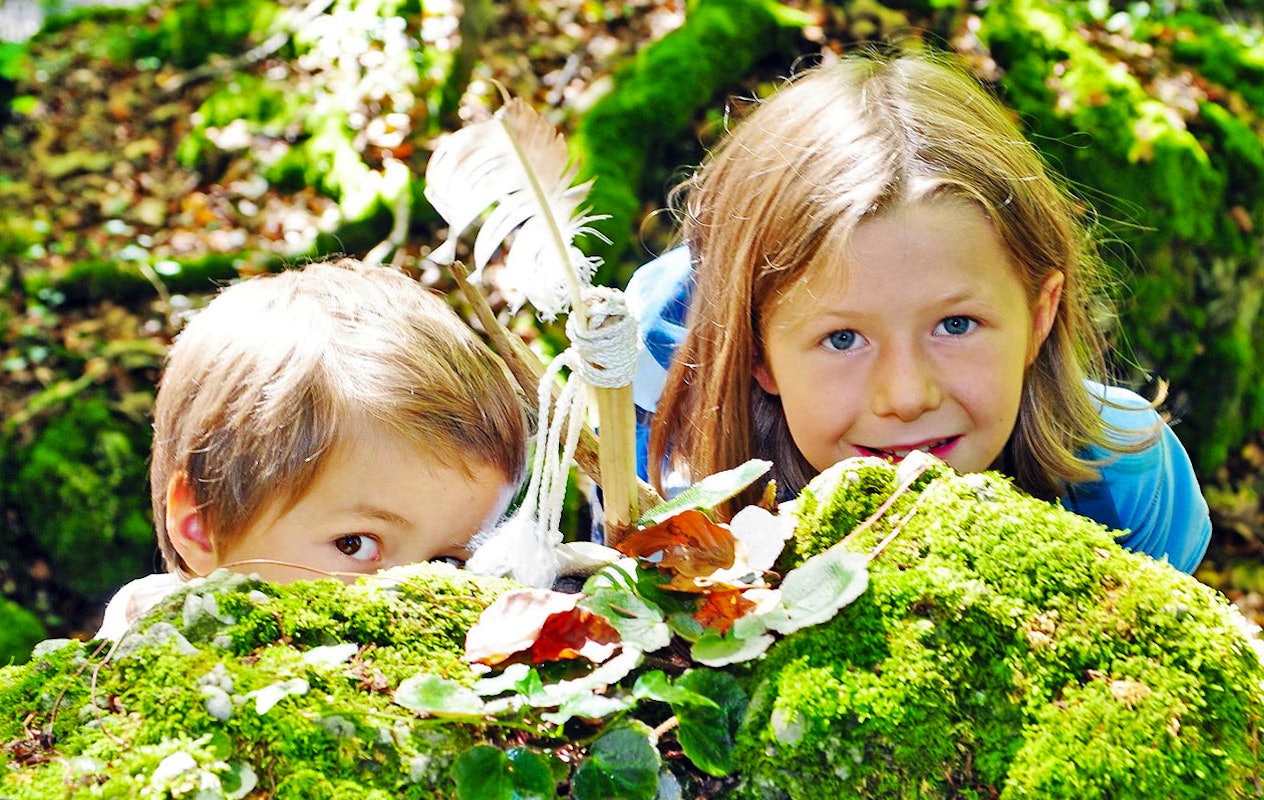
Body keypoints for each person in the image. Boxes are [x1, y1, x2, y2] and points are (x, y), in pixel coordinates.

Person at [628, 49, 1211, 574]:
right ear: (760, 355)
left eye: (955, 325)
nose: (907, 398)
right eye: (843, 339)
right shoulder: (669, 482)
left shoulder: (1122, 479)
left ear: (1039, 317)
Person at [96, 258, 529, 639]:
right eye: (354, 545)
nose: (408, 603)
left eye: (447, 565)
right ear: (200, 524)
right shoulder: (136, 674)